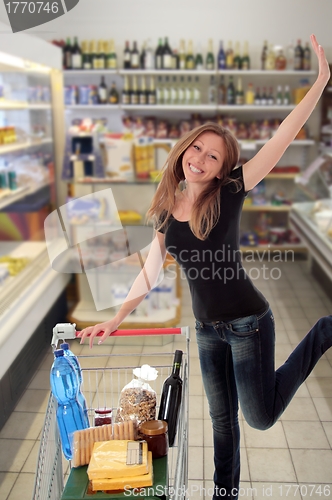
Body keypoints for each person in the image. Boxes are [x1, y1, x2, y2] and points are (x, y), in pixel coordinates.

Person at [78, 35, 332, 499]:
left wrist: (320, 82)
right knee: (220, 419)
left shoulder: (232, 192)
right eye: (197, 148)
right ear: (184, 149)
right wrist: (116, 317)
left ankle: (324, 331)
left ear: (222, 169)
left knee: (259, 416)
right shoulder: (164, 207)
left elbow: (283, 136)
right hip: (207, 329)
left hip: (248, 324)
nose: (200, 158)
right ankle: (225, 491)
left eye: (213, 156)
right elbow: (150, 272)